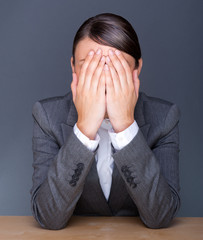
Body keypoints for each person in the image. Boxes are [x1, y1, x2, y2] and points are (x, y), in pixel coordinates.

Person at [31, 13, 181, 230]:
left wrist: (125, 125)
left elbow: (161, 216)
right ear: (73, 67)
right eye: (90, 65)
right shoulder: (47, 115)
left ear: (136, 69)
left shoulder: (164, 117)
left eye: (115, 67)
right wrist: (84, 129)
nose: (102, 78)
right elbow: (48, 217)